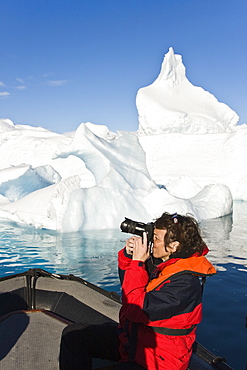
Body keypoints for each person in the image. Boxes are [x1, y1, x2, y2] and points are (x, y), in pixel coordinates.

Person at [59, 212, 216, 370]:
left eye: (156, 238)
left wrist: (138, 263)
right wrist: (129, 256)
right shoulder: (166, 265)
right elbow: (128, 285)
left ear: (174, 246)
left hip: (157, 360)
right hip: (135, 341)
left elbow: (136, 308)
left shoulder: (185, 285)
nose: (151, 242)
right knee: (74, 335)